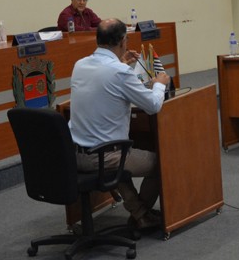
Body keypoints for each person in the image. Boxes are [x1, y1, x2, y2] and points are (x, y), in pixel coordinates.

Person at [70, 19, 170, 229]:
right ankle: (142, 215)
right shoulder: (119, 72)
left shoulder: (80, 65)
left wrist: (121, 63)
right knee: (163, 162)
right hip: (104, 157)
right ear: (123, 41)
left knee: (119, 152)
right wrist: (159, 85)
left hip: (75, 155)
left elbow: (103, 82)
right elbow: (153, 105)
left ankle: (140, 214)